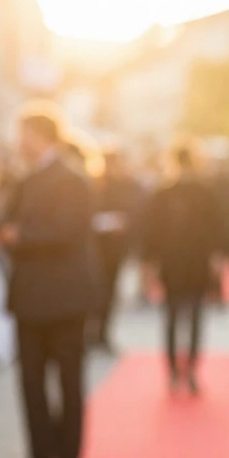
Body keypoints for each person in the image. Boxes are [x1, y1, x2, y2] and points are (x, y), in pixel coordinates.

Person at [0, 101, 99, 458]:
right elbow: (9, 217)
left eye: (24, 133)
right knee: (31, 383)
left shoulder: (71, 178)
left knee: (69, 382)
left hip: (65, 297)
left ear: (41, 135)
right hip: (31, 297)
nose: (19, 142)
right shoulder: (26, 178)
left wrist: (20, 236)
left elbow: (68, 232)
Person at [142, 146, 220, 393]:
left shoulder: (162, 193)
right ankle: (192, 370)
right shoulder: (205, 192)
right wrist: (216, 261)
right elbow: (214, 230)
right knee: (195, 317)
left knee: (173, 317)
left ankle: (175, 371)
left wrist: (149, 265)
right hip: (196, 262)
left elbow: (151, 232)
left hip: (171, 263)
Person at [91, 147, 144, 350]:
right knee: (97, 293)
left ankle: (103, 333)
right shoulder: (95, 184)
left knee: (109, 293)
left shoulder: (127, 185)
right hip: (97, 249)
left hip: (115, 249)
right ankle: (93, 333)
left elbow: (135, 212)